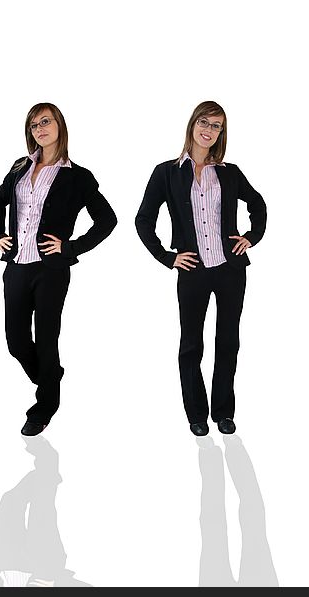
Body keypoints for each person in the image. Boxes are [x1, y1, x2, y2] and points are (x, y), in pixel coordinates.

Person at [135, 101, 266, 437]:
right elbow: (144, 219)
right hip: (192, 270)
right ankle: (196, 413)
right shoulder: (166, 172)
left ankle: (223, 411)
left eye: (217, 126)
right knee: (191, 343)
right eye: (204, 123)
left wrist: (251, 237)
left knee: (228, 340)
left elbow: (258, 204)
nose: (209, 131)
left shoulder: (229, 172)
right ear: (192, 124)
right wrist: (168, 257)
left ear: (222, 133)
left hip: (230, 270)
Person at [0, 103, 116, 436]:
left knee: (46, 339)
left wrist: (70, 247)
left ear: (60, 125)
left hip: (51, 270)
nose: (39, 128)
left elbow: (107, 220)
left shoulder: (77, 176)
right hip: (16, 266)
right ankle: (50, 377)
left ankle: (45, 406)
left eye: (45, 121)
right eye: (33, 125)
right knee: (16, 341)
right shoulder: (19, 166)